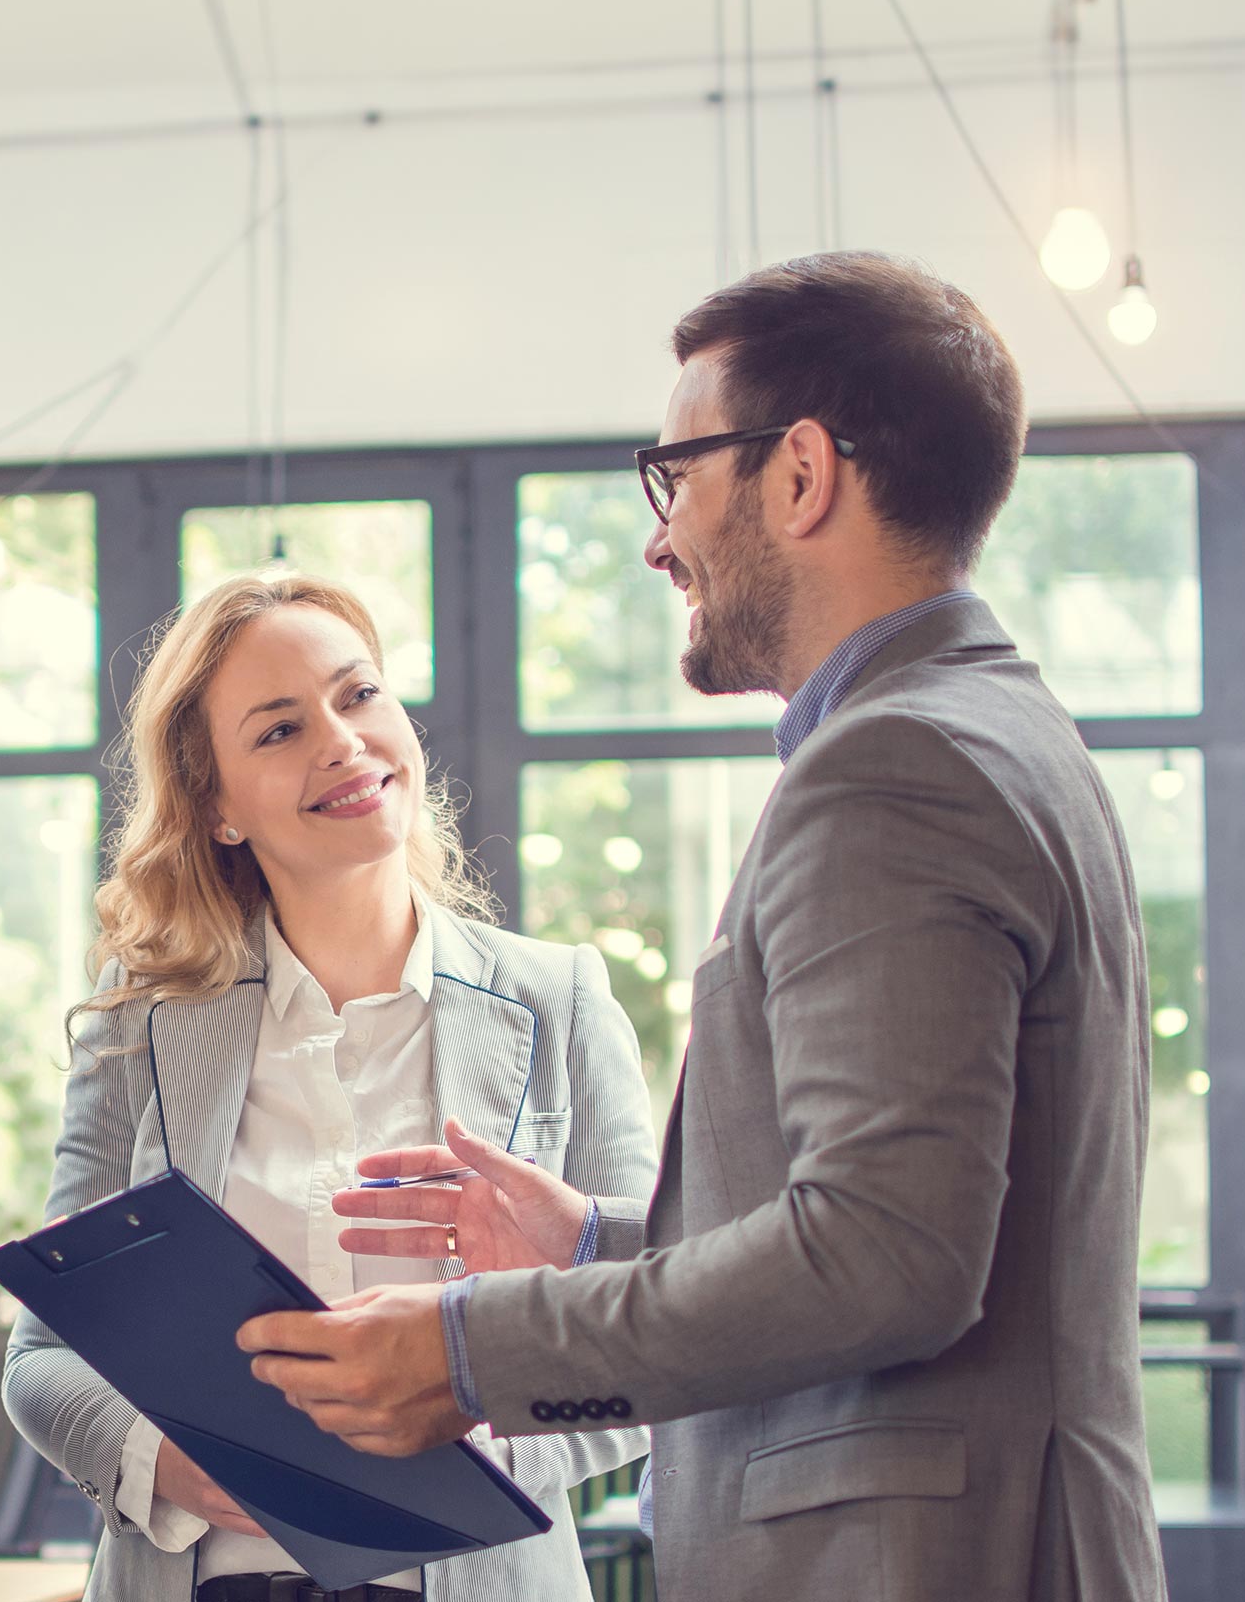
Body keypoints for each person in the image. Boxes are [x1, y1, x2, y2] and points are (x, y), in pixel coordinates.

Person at [236, 253, 1168, 1601]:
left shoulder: (893, 766)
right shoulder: (994, 726)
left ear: (799, 475)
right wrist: (596, 1244)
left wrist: (469, 1350)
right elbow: (909, 1215)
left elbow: (887, 1258)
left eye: (675, 476)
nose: (657, 536)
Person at [2, 570, 657, 1602]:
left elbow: (658, 1324)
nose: (340, 741)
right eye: (277, 730)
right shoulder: (142, 1021)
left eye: (357, 696)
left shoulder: (558, 999)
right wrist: (165, 1464)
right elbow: (41, 1356)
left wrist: (470, 1430)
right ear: (215, 806)